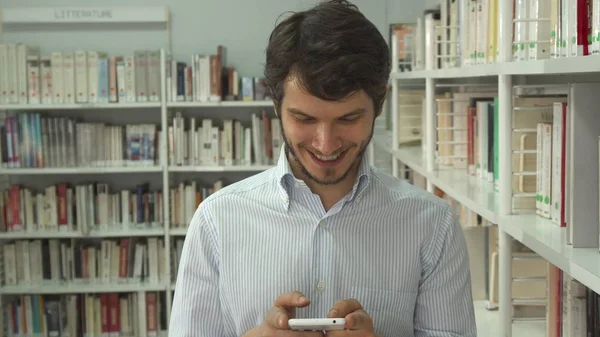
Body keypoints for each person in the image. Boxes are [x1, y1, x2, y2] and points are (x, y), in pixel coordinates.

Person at [168, 1, 477, 336]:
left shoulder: (432, 226)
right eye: (304, 119)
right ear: (276, 105)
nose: (326, 143)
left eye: (348, 118)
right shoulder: (216, 221)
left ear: (380, 104)